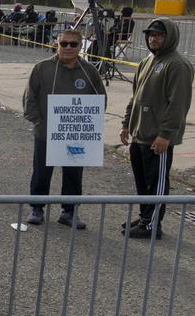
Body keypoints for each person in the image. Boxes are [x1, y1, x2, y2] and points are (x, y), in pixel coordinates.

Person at [23, 28, 106, 228]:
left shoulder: (89, 71)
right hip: (45, 134)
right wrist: (39, 122)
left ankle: (69, 212)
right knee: (41, 173)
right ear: (56, 45)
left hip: (75, 135)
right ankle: (37, 208)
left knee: (73, 174)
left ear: (80, 47)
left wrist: (89, 122)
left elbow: (100, 99)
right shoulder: (42, 68)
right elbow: (29, 98)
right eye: (64, 44)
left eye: (73, 44)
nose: (68, 47)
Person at [120, 19, 194, 238]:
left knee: (157, 184)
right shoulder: (147, 61)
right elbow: (136, 96)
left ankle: (152, 225)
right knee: (143, 182)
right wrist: (126, 124)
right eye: (151, 34)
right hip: (139, 135)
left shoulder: (177, 65)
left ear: (169, 37)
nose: (154, 38)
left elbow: (178, 104)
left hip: (157, 138)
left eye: (159, 35)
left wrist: (165, 135)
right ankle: (145, 218)